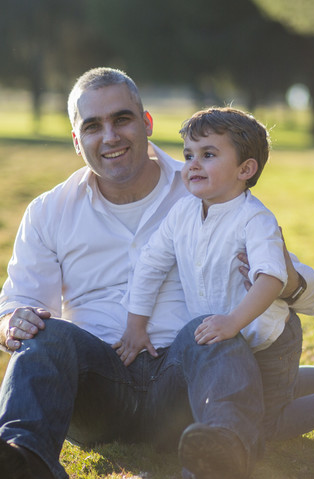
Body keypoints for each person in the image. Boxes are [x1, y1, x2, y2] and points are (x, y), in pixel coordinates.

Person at [0, 67, 314, 479]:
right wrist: (13, 322)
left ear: (146, 124)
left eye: (122, 119)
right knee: (44, 336)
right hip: (97, 393)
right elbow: (15, 303)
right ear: (77, 140)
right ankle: (26, 466)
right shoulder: (48, 212)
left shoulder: (203, 181)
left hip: (185, 384)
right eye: (93, 126)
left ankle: (227, 454)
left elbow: (296, 284)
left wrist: (289, 276)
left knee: (213, 333)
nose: (110, 136)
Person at [122, 107, 301, 441]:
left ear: (245, 169)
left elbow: (271, 279)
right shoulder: (182, 213)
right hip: (223, 344)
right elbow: (151, 263)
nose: (192, 164)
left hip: (268, 339)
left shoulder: (255, 219)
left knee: (268, 426)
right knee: (237, 408)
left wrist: (233, 321)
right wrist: (136, 324)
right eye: (188, 154)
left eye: (208, 155)